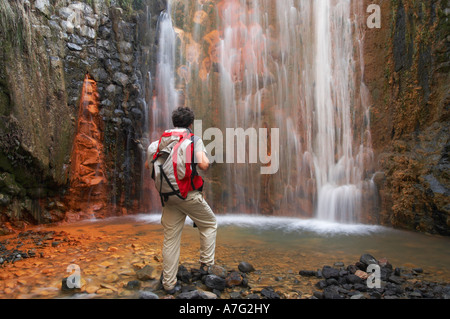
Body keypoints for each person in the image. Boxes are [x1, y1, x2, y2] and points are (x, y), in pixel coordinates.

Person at [151, 106, 217, 294]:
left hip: (168, 196)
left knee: (171, 238)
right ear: (190, 124)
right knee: (209, 223)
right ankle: (206, 267)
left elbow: (152, 165)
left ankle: (169, 283)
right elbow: (203, 165)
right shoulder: (193, 140)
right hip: (188, 194)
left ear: (174, 123)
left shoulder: (160, 142)